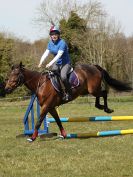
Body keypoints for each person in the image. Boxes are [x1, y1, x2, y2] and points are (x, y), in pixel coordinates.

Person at [38, 25, 72, 101]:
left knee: (63, 76)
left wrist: (50, 64)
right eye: (52, 34)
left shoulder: (62, 43)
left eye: (55, 34)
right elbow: (46, 53)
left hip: (65, 63)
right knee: (51, 75)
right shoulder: (50, 43)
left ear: (58, 35)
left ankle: (69, 93)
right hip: (57, 64)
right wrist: (41, 62)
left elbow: (59, 55)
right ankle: (55, 92)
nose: (54, 36)